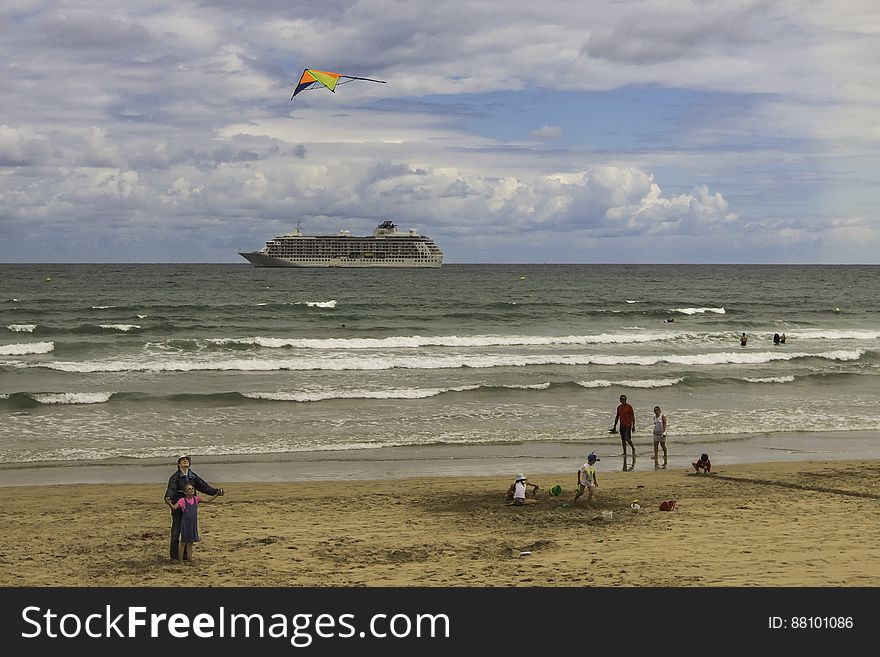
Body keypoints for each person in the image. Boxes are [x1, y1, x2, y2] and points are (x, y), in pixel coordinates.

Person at [164, 455, 224, 563]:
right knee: (176, 532)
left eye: (187, 460)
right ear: (178, 464)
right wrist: (168, 497)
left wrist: (216, 491)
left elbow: (204, 487)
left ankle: (186, 556)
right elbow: (171, 489)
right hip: (178, 506)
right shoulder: (175, 477)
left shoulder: (193, 476)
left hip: (189, 509)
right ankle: (174, 556)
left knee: (187, 533)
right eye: (182, 460)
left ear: (189, 464)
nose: (185, 461)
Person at [176, 483, 220, 563]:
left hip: (193, 523)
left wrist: (216, 494)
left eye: (192, 488)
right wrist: (168, 502)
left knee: (190, 542)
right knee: (183, 542)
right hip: (185, 523)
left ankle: (190, 559)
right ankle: (181, 561)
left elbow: (207, 500)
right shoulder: (182, 500)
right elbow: (174, 507)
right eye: (189, 489)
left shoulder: (196, 499)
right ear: (185, 492)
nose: (192, 490)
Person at [610, 394, 636, 460]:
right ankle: (624, 452)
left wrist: (633, 426)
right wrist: (614, 426)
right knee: (623, 440)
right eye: (622, 399)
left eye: (624, 399)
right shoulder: (619, 407)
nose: (623, 400)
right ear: (620, 400)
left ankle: (633, 447)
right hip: (622, 425)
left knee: (627, 438)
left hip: (628, 425)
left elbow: (632, 416)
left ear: (626, 400)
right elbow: (617, 417)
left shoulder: (629, 407)